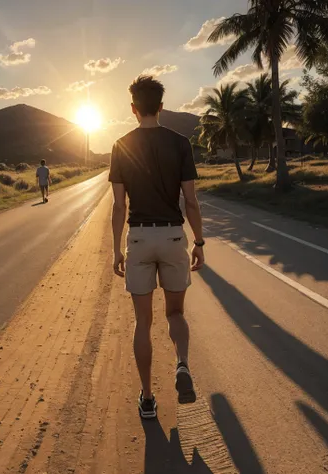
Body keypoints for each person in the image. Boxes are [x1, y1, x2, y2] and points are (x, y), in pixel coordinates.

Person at [109, 75, 205, 419]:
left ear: (133, 109)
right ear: (161, 107)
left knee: (142, 323)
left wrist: (118, 250)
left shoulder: (120, 146)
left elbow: (119, 206)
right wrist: (199, 241)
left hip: (139, 235)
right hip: (173, 236)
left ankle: (147, 399)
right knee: (175, 313)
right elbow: (190, 201)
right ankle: (181, 363)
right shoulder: (180, 143)